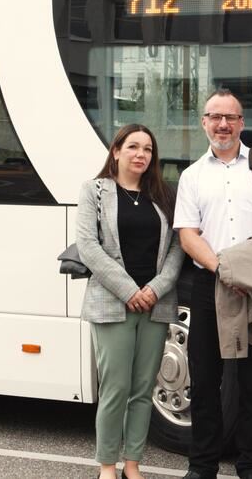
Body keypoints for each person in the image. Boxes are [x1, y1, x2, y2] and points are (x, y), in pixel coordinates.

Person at [174, 88, 252, 479]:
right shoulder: (192, 176)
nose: (222, 124)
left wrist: (245, 269)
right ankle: (202, 466)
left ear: (241, 123)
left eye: (230, 117)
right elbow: (188, 235)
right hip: (209, 287)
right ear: (204, 123)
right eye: (215, 117)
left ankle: (251, 466)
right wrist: (226, 271)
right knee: (205, 382)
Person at [76, 123, 184, 479]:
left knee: (142, 391)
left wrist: (154, 289)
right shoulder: (94, 191)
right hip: (112, 305)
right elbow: (88, 247)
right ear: (117, 151)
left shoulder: (163, 195)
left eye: (148, 149)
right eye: (133, 147)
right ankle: (107, 466)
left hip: (155, 305)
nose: (141, 154)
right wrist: (129, 291)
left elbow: (177, 248)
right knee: (115, 388)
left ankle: (133, 465)